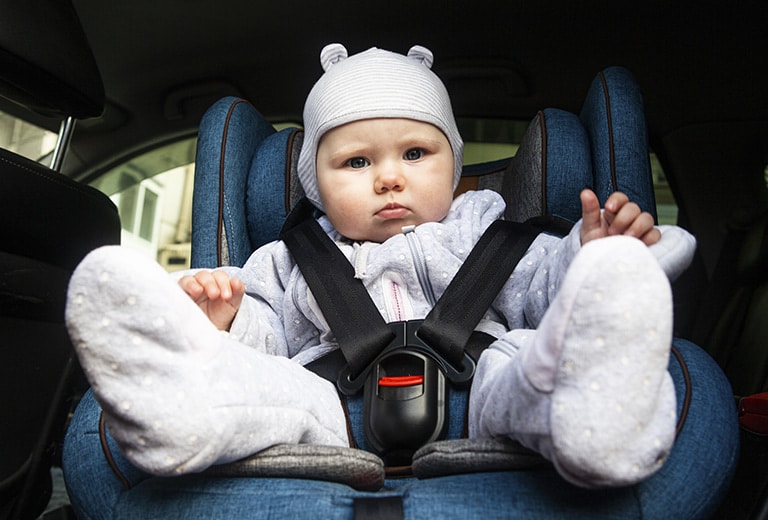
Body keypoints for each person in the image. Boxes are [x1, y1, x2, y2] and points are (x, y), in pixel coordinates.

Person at [63, 44, 737, 518]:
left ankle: (590, 408)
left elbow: (542, 293)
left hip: (486, 394)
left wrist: (590, 257)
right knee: (270, 385)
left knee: (527, 358)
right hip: (326, 408)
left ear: (452, 163)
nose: (389, 177)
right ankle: (184, 411)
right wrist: (226, 321)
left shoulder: (492, 229)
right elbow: (267, 331)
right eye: (356, 162)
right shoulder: (288, 256)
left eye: (416, 153)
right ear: (315, 186)